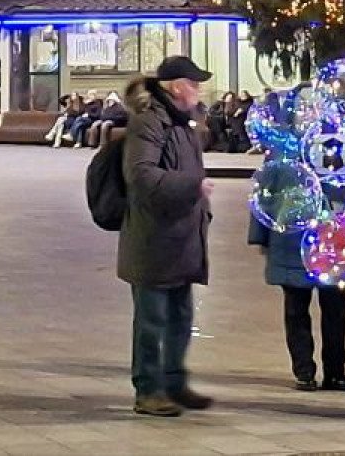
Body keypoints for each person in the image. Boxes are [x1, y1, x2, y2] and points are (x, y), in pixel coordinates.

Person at [118, 55, 213, 419]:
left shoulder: (182, 124)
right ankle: (149, 390)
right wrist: (194, 185)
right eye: (195, 83)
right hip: (153, 239)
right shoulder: (149, 122)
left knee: (179, 315)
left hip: (182, 238)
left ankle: (174, 383)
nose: (199, 90)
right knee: (152, 319)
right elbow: (141, 175)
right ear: (176, 87)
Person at [248, 206, 345, 392]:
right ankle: (306, 370)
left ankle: (333, 371)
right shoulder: (280, 175)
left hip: (333, 240)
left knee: (332, 309)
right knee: (300, 309)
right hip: (293, 238)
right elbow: (265, 193)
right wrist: (261, 234)